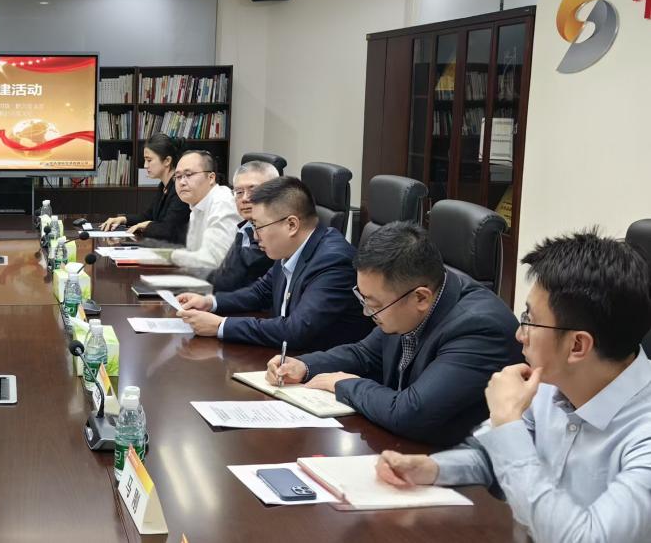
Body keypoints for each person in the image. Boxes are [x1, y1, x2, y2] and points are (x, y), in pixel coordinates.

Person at [375, 230, 651, 542]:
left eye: (530, 320)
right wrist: (433, 468)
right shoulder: (553, 382)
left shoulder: (643, 435)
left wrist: (507, 424)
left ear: (577, 346)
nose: (520, 334)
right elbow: (493, 458)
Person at [267, 222, 521, 446]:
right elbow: (364, 353)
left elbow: (411, 412)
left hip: (456, 467)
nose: (367, 312)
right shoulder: (404, 300)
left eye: (375, 304)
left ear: (421, 298)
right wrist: (304, 366)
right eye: (364, 299)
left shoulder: (480, 328)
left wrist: (342, 383)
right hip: (401, 447)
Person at [177, 176, 372, 350]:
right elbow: (261, 292)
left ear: (291, 225)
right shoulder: (292, 247)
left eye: (258, 226)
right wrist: (210, 302)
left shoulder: (333, 261)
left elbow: (296, 330)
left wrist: (220, 325)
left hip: (324, 368)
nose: (255, 236)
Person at [100, 134, 190, 243]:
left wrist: (148, 225)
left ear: (167, 161)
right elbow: (148, 216)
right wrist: (123, 219)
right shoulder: (163, 186)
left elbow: (168, 229)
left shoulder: (180, 188)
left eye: (149, 160)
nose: (145, 165)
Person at [206, 161, 279, 292]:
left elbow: (229, 280)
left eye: (253, 190)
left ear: (276, 192)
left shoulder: (277, 231)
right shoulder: (245, 227)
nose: (245, 198)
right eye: (239, 192)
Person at [167, 150, 240, 270]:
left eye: (189, 175)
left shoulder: (222, 203)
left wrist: (170, 256)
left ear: (211, 178)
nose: (182, 182)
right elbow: (194, 253)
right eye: (178, 177)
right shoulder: (197, 205)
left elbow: (213, 261)